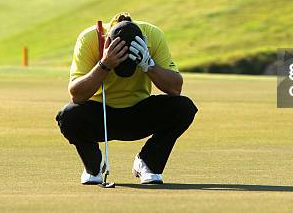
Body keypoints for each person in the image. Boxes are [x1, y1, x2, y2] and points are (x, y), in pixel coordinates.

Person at [55, 12, 197, 185]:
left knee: (183, 107)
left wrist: (149, 65)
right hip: (101, 117)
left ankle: (148, 163)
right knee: (68, 116)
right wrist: (104, 64)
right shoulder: (90, 38)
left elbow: (175, 88)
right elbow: (77, 95)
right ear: (108, 42)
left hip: (140, 114)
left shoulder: (153, 35)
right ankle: (93, 166)